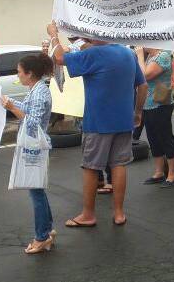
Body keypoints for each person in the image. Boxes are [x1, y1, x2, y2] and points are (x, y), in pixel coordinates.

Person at [47, 25, 147, 227]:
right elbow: (142, 85)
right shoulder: (127, 53)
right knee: (119, 165)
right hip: (123, 119)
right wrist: (137, 112)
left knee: (91, 167)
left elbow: (58, 58)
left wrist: (53, 35)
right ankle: (119, 213)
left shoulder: (94, 54)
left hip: (99, 122)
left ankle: (88, 214)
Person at [2, 53, 56, 254]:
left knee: (36, 191)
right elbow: (29, 109)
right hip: (35, 144)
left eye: (19, 72)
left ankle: (42, 237)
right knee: (38, 189)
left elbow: (31, 122)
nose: (18, 76)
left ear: (29, 73)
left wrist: (11, 108)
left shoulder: (40, 92)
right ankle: (47, 231)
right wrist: (10, 103)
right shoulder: (37, 88)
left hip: (35, 145)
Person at [137, 47, 174, 187]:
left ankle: (172, 174)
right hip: (148, 103)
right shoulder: (150, 57)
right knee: (153, 138)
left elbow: (145, 75)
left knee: (165, 137)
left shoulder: (163, 56)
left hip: (161, 103)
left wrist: (139, 57)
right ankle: (159, 172)